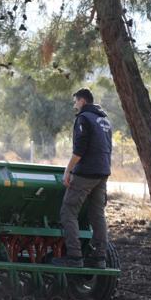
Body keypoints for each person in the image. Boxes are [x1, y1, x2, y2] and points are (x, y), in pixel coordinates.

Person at [53, 88, 113, 269]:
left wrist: (68, 171)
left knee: (68, 211)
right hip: (103, 173)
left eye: (75, 102)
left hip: (85, 173)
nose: (75, 105)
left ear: (82, 101)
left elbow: (79, 151)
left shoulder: (83, 118)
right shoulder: (105, 120)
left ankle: (74, 256)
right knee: (97, 215)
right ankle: (99, 258)